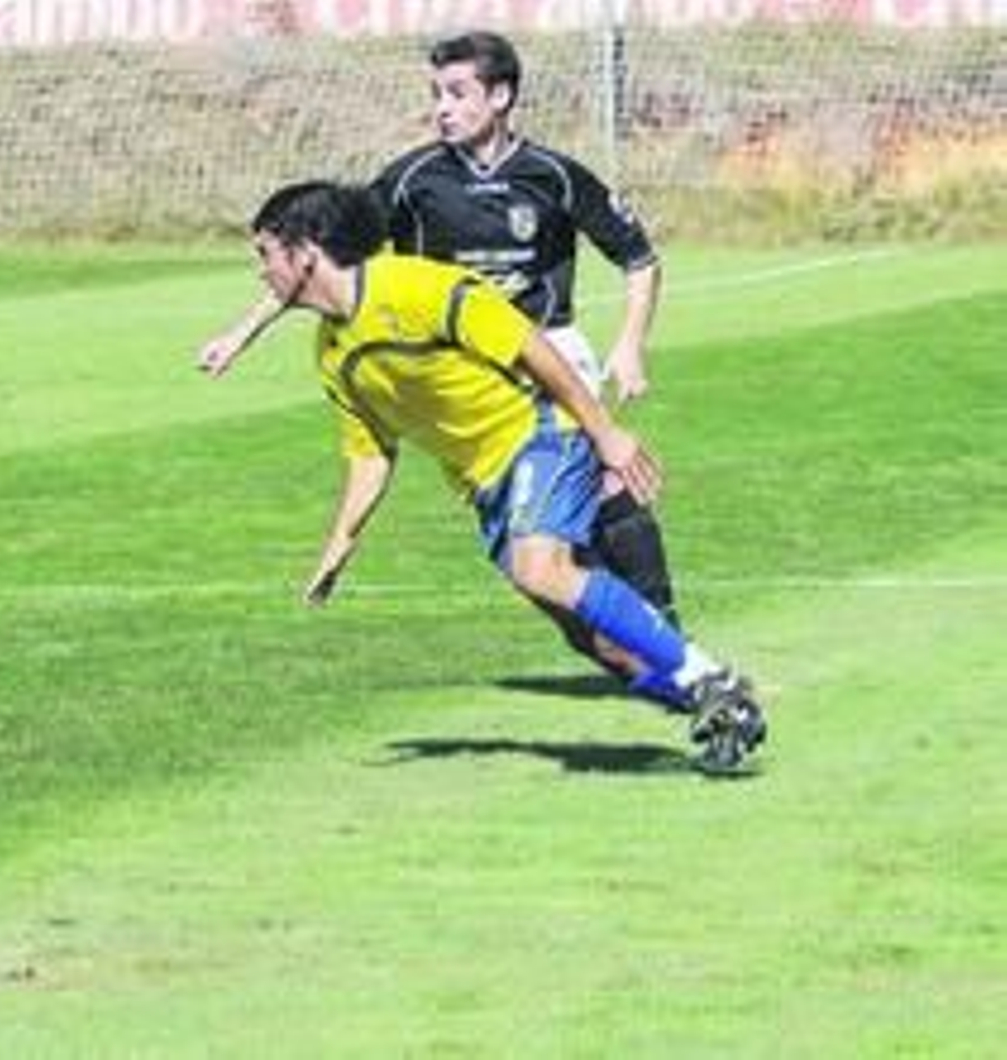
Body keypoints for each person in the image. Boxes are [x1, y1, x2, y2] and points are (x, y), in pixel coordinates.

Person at [199, 30, 678, 702]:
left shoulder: (555, 175)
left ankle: (672, 640)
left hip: (547, 346)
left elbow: (639, 259)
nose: (442, 109)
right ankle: (629, 649)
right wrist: (240, 333)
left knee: (611, 488)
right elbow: (314, 256)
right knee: (539, 555)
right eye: (435, 95)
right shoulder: (411, 180)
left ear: (501, 96)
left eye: (456, 93)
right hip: (459, 367)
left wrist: (630, 344)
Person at [227, 179, 765, 773]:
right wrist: (337, 550)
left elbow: (532, 348)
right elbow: (371, 455)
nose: (261, 273)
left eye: (265, 254)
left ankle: (711, 677)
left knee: (542, 570)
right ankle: (716, 705)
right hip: (485, 485)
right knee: (602, 644)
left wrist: (605, 433)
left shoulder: (417, 286)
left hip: (542, 432)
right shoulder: (333, 353)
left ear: (306, 253)